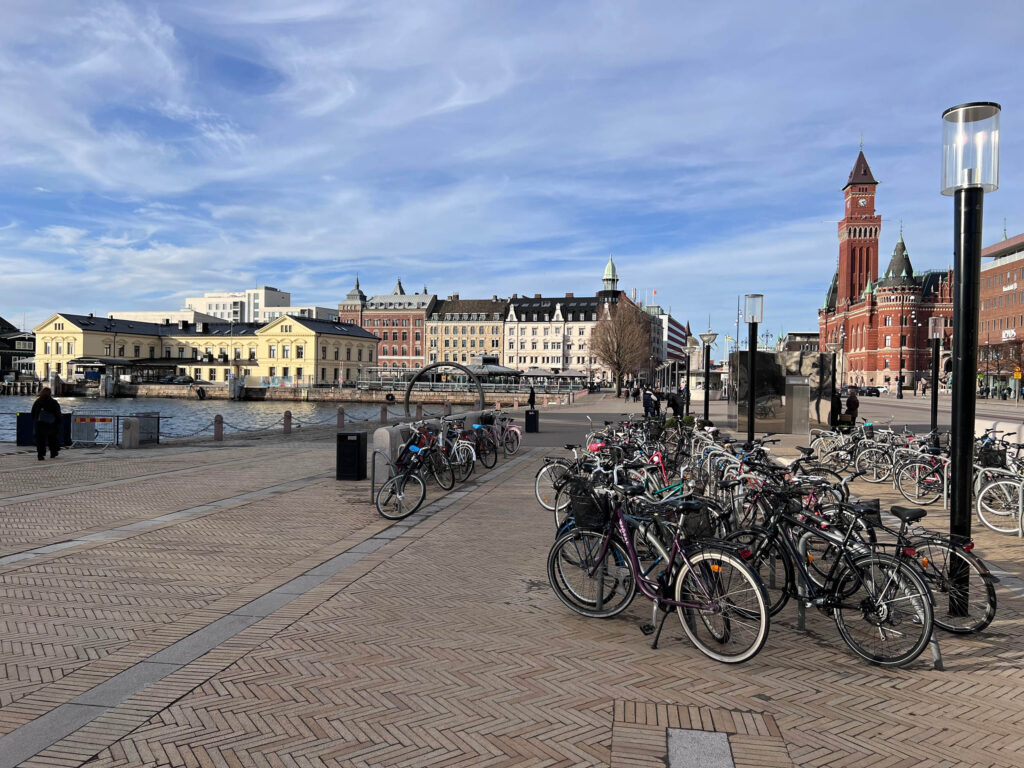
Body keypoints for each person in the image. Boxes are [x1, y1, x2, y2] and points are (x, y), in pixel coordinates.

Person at [31, 387, 62, 461]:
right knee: (52, 438)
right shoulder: (53, 402)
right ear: (50, 393)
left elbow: (33, 412)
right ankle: (53, 453)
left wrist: (35, 420)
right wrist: (58, 422)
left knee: (40, 440)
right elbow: (58, 414)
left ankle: (40, 455)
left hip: (40, 424)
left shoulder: (37, 401)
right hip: (51, 424)